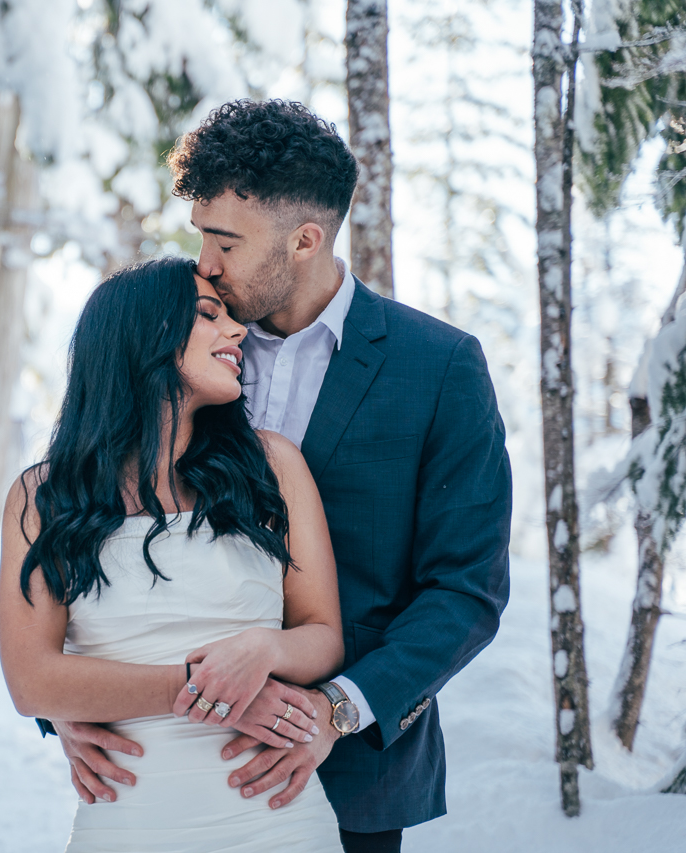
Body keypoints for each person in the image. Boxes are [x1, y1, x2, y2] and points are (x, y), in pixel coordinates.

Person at [49, 100, 512, 853]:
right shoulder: (182, 352)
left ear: (305, 240)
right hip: (163, 768)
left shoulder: (441, 368)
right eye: (202, 235)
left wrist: (335, 710)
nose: (205, 262)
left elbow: (466, 591)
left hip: (358, 771)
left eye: (225, 240)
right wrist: (75, 702)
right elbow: (91, 527)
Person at [0, 256, 348, 851]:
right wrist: (201, 690)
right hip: (130, 821)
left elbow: (323, 636)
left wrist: (264, 648)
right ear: (145, 335)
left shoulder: (273, 466)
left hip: (278, 819)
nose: (238, 331)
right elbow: (32, 680)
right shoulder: (44, 495)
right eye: (209, 315)